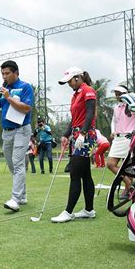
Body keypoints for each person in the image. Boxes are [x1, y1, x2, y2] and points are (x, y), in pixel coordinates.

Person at [0, 60, 33, 212]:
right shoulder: (1, 90)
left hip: (21, 130)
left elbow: (26, 108)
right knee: (12, 165)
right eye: (2, 73)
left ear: (16, 73)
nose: (4, 76)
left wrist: (9, 98)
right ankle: (22, 196)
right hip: (7, 132)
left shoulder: (25, 87)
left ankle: (15, 199)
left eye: (7, 73)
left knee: (17, 163)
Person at [51, 67, 97, 223]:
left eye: (70, 81)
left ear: (78, 78)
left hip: (86, 135)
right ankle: (89, 210)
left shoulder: (88, 90)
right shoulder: (75, 95)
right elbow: (75, 118)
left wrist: (83, 134)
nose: (69, 84)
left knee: (75, 174)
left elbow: (90, 113)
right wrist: (66, 134)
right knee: (85, 175)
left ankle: (68, 212)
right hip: (77, 134)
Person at [106, 85, 135, 200]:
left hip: (128, 137)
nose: (118, 96)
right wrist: (113, 131)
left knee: (127, 165)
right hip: (117, 139)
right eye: (116, 94)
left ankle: (127, 188)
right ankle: (129, 184)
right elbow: (114, 122)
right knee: (110, 164)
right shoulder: (116, 107)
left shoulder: (133, 106)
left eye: (119, 93)